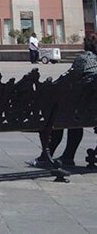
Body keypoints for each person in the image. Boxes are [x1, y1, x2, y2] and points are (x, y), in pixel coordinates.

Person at [32, 34, 97, 168]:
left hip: (83, 109)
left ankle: (47, 156)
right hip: (92, 111)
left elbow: (68, 78)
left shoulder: (85, 58)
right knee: (73, 118)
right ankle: (67, 155)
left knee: (58, 117)